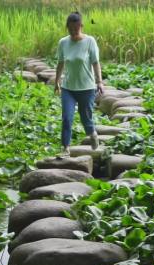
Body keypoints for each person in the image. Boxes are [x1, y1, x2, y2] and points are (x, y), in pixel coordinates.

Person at [54, 11, 104, 158]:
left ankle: (92, 134)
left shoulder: (90, 41)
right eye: (70, 30)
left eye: (76, 29)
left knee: (85, 117)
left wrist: (99, 81)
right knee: (67, 118)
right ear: (67, 28)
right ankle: (65, 148)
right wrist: (57, 81)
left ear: (81, 26)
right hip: (68, 87)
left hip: (86, 88)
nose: (73, 32)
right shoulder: (63, 42)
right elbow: (60, 63)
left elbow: (95, 63)